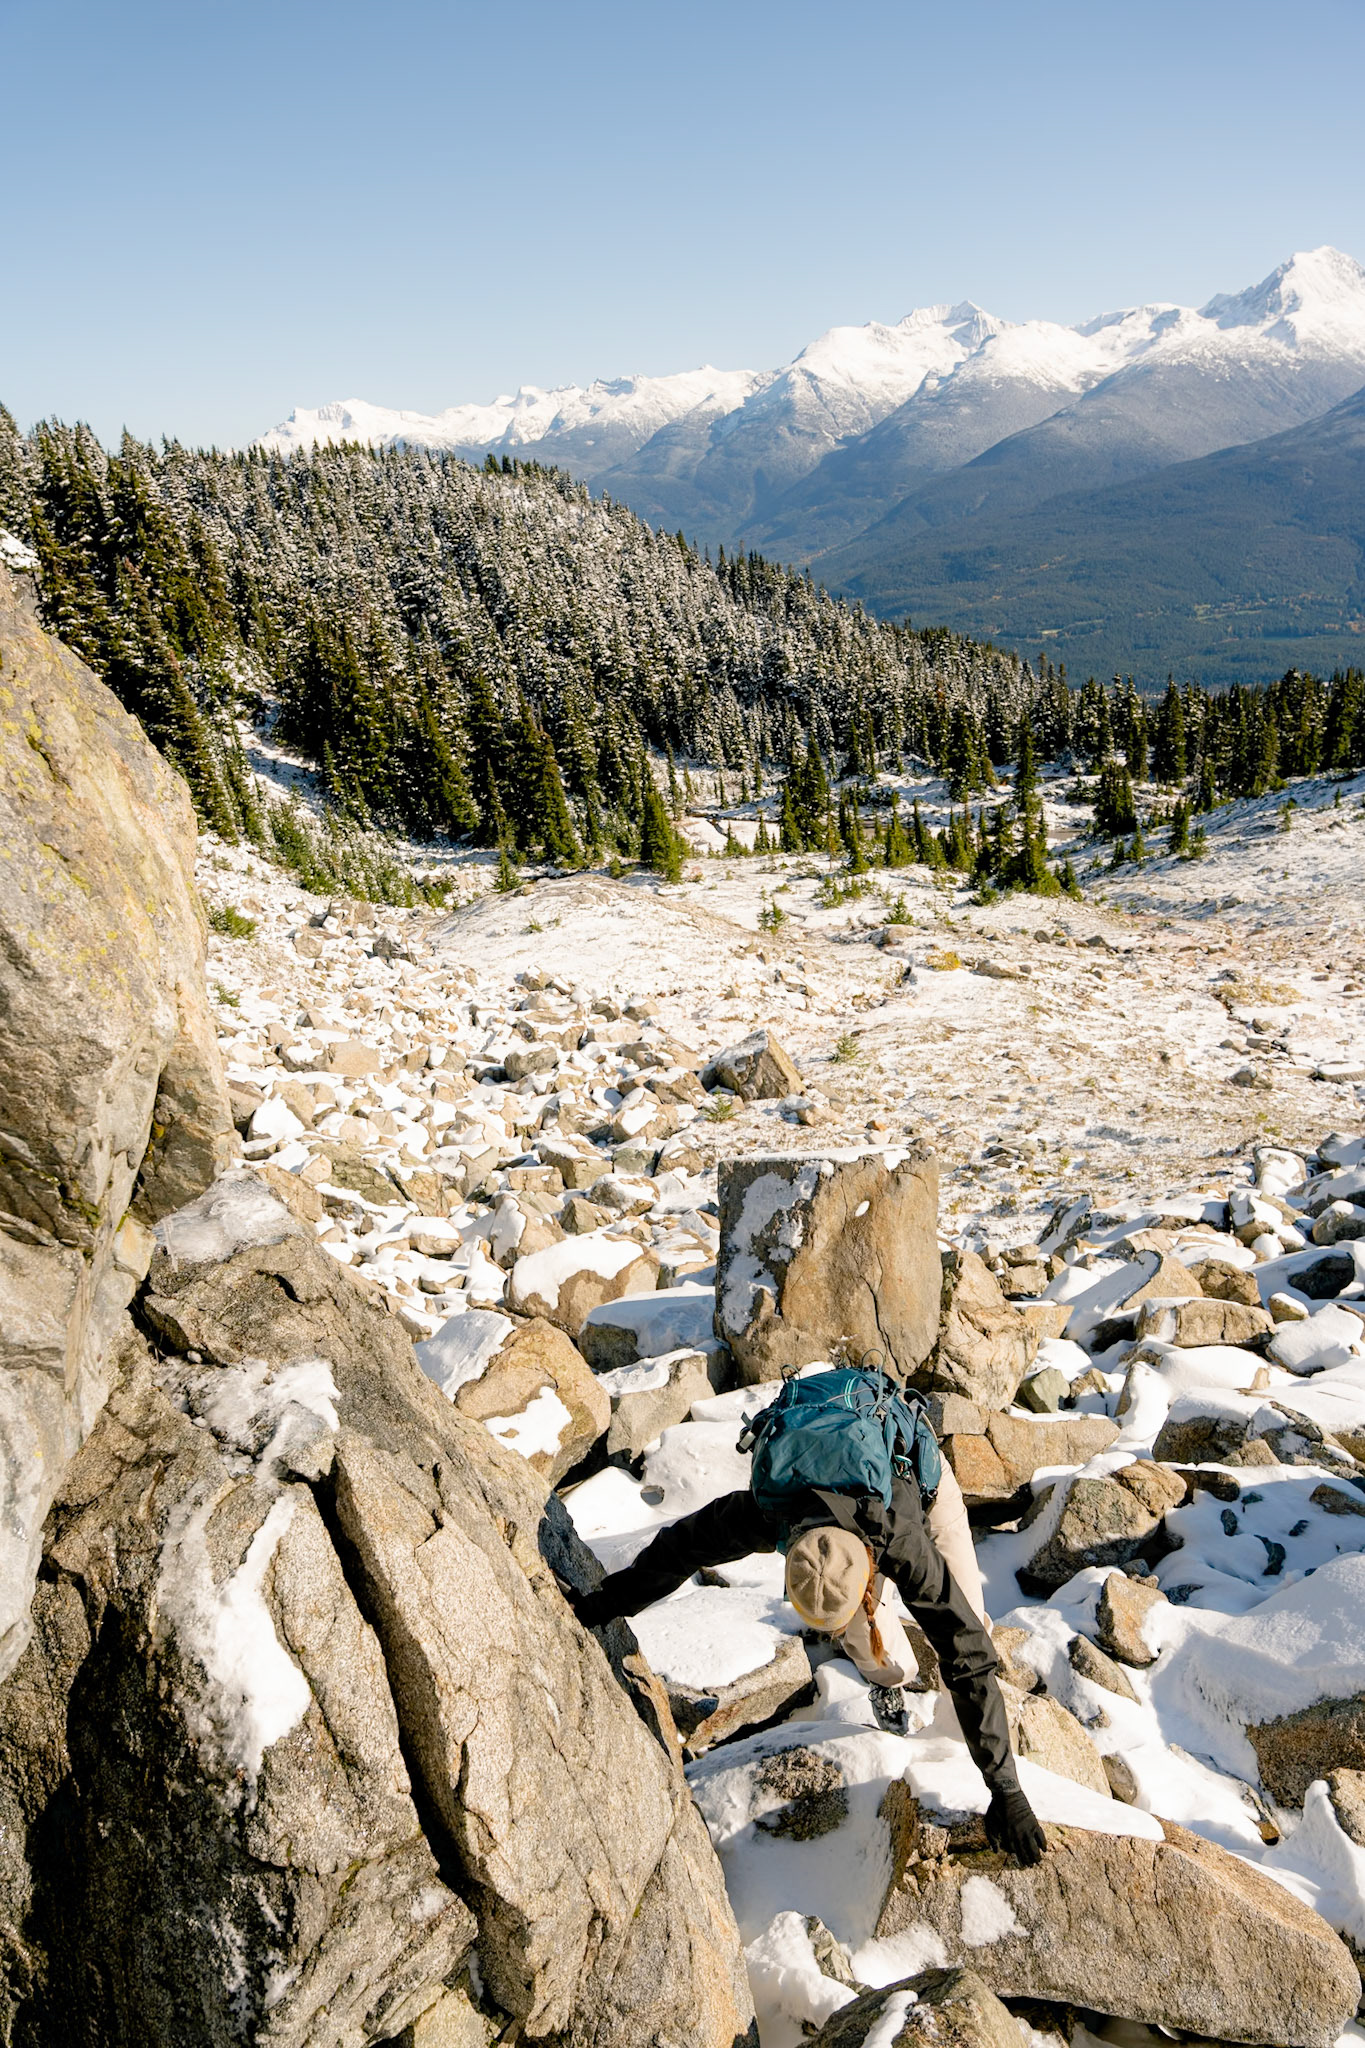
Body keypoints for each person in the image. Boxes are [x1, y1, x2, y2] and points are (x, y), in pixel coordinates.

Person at [572, 1446, 1047, 1866]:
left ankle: (953, 1734)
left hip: (921, 1480)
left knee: (965, 1618)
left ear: (867, 1574)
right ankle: (891, 1687)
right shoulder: (766, 1512)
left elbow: (965, 1650)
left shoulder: (902, 1541)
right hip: (832, 1489)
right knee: (872, 1648)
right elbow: (680, 1549)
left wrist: (1006, 1789)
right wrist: (602, 1605)